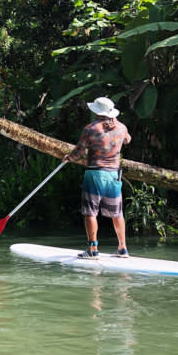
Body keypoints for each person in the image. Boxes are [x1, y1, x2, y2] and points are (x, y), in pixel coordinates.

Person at [63, 96, 132, 259]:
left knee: (90, 212)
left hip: (95, 173)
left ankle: (93, 250)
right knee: (117, 213)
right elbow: (128, 140)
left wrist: (68, 158)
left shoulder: (91, 128)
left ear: (97, 112)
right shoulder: (121, 128)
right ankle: (123, 248)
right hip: (114, 174)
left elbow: (79, 152)